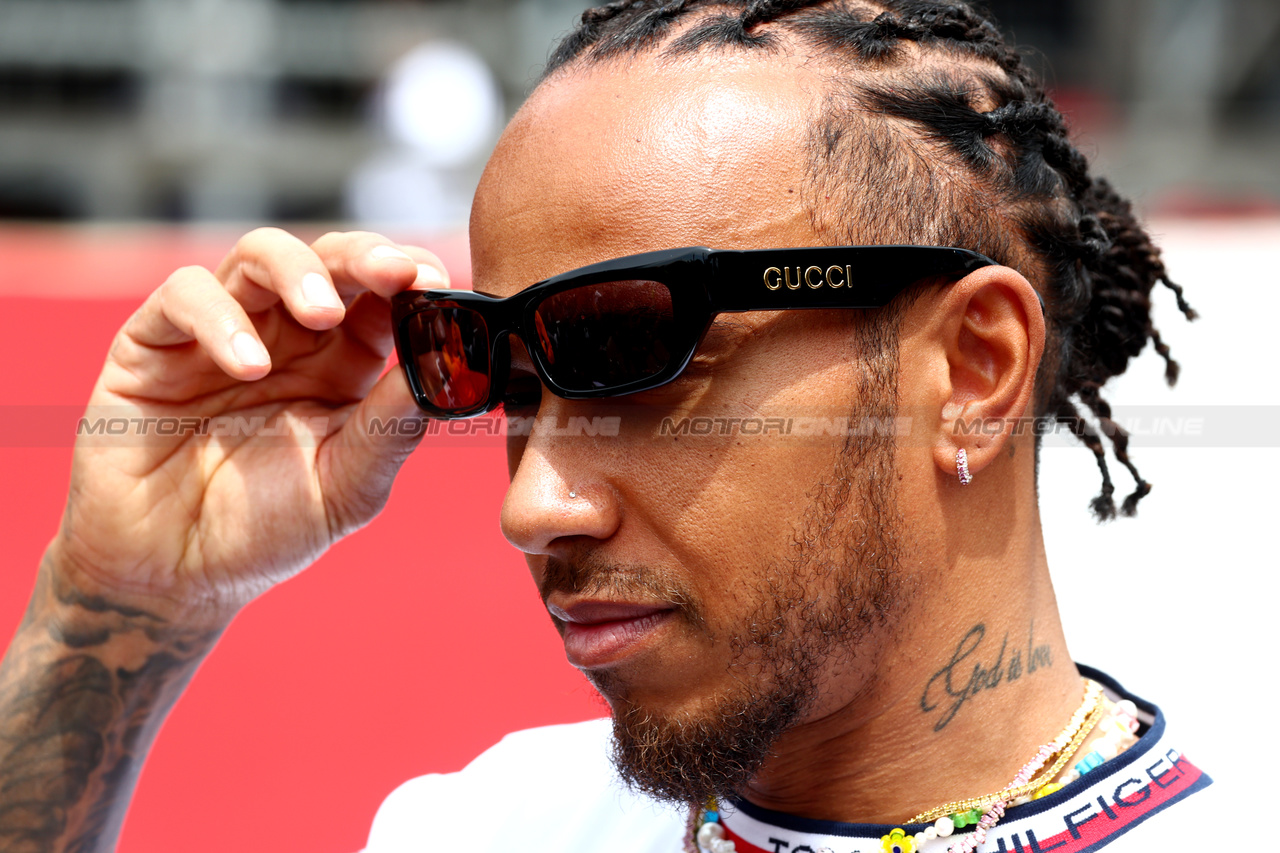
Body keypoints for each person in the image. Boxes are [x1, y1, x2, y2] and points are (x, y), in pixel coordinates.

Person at [0, 2, 1211, 851]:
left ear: (968, 368)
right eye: (504, 381)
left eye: (634, 358)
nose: (531, 506)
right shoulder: (474, 829)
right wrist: (117, 606)